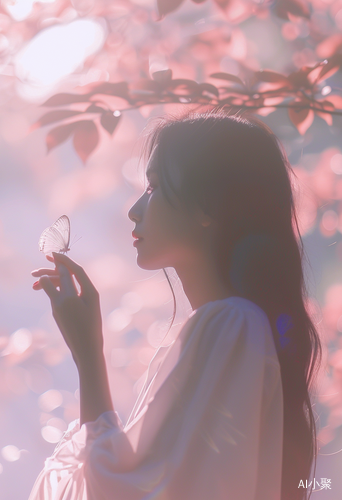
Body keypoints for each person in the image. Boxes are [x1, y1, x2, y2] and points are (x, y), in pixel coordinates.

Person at [29, 110, 323, 500]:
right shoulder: (230, 326)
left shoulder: (231, 323)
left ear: (206, 206)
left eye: (151, 188)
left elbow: (127, 491)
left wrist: (88, 356)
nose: (134, 209)